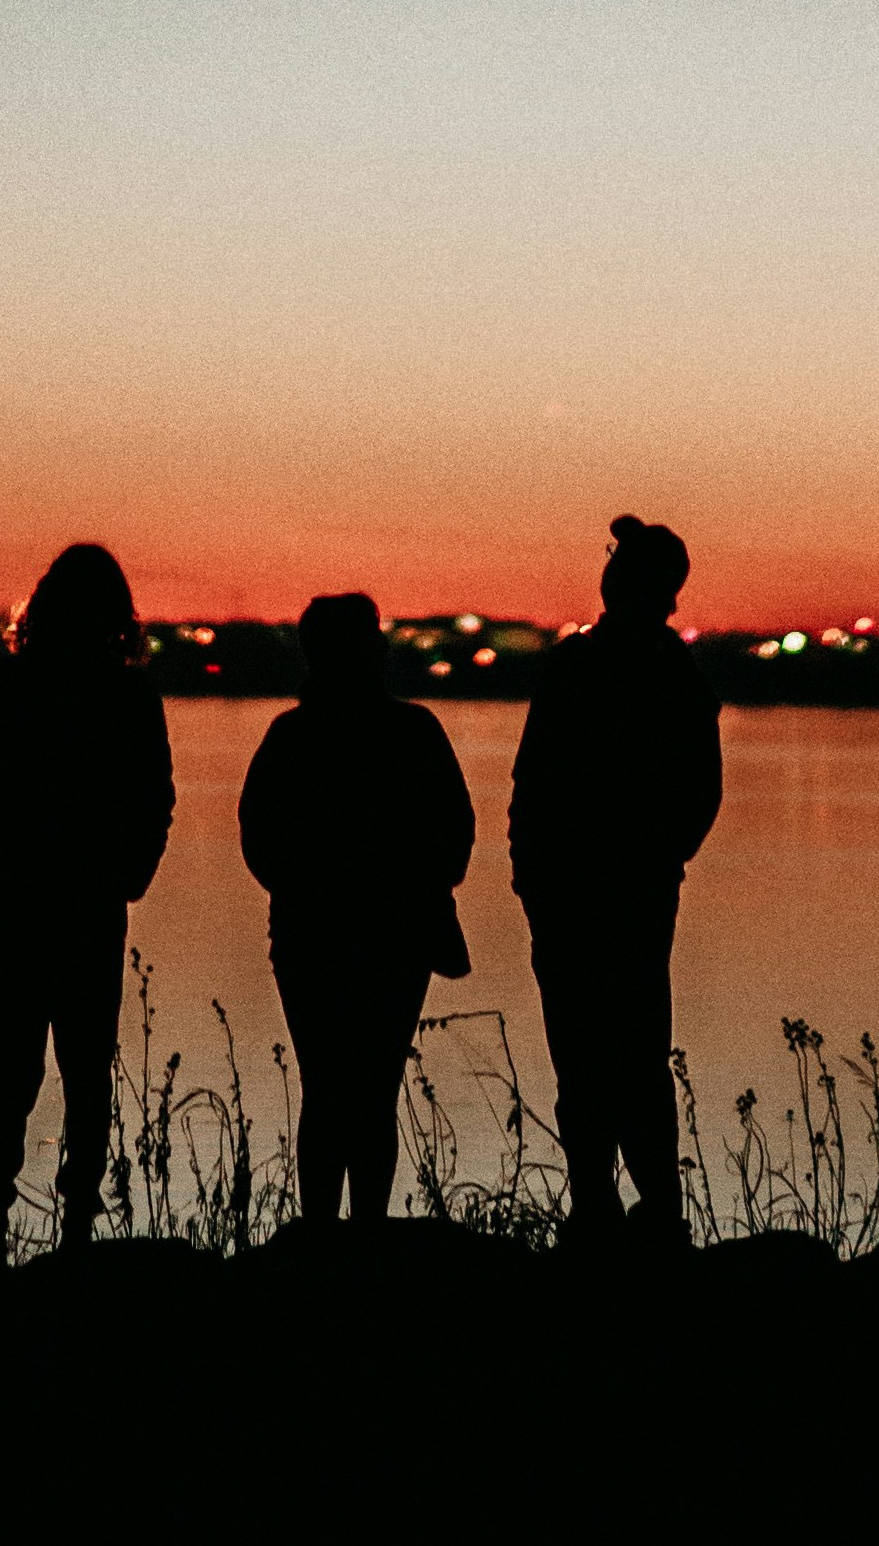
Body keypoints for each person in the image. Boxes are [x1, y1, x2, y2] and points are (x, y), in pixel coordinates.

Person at [0, 541, 174, 1265]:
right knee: (73, 1072)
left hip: (39, 903)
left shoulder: (8, 685)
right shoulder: (123, 693)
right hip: (74, 904)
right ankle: (63, 1227)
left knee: (21, 1070)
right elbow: (155, 799)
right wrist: (128, 871)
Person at [508, 514, 721, 1240]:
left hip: (593, 889)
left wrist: (535, 870)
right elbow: (699, 795)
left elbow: (532, 783)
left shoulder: (589, 667)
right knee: (629, 1053)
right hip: (616, 889)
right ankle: (636, 1209)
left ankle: (617, 1207)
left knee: (592, 1053)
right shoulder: (671, 672)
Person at [237, 591, 476, 1226]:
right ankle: (364, 1232)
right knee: (372, 1092)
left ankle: (323, 1236)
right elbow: (457, 833)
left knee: (329, 1091)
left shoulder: (292, 736)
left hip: (310, 937)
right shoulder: (414, 731)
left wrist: (301, 891)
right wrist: (417, 886)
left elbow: (257, 837)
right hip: (394, 937)